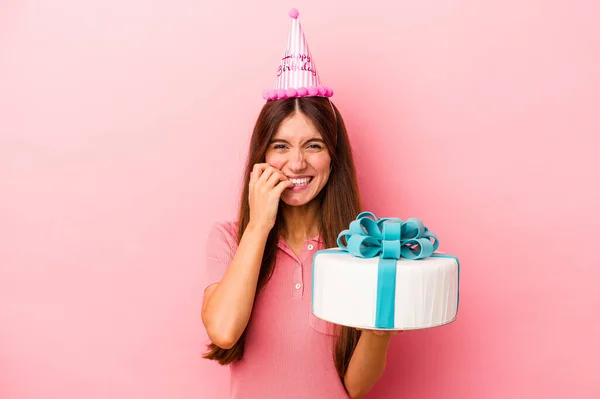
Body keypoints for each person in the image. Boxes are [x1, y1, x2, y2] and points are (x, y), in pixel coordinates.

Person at [201, 9, 398, 399]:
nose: (296, 164)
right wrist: (258, 226)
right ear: (261, 155)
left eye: (313, 145)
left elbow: (353, 388)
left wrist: (382, 324)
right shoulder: (228, 239)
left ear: (332, 157)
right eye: (280, 146)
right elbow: (223, 331)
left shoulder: (358, 250)